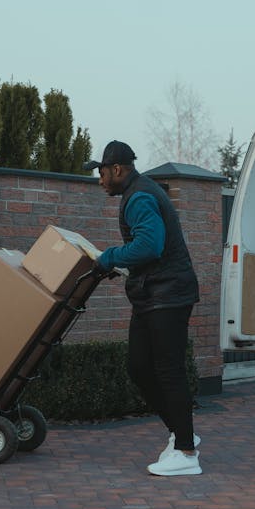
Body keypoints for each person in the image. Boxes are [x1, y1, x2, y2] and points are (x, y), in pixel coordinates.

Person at [84, 141, 202, 476]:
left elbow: (150, 245)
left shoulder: (138, 197)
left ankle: (186, 453)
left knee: (169, 371)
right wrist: (118, 265)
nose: (100, 180)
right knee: (139, 367)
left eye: (102, 172)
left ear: (117, 169)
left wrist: (108, 257)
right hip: (154, 295)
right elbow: (147, 249)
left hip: (168, 296)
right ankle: (183, 433)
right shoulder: (138, 193)